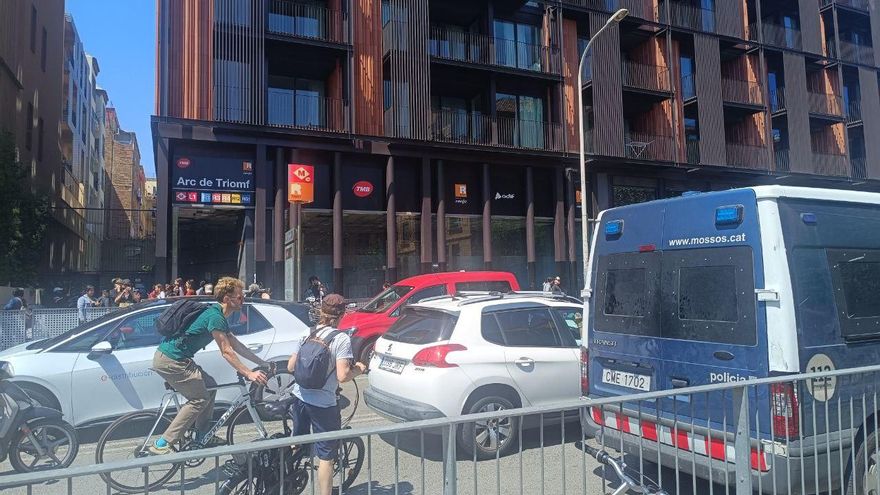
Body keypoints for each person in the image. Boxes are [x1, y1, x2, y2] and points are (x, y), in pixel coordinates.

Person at [149, 277, 270, 455]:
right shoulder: (215, 316)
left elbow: (236, 345)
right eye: (239, 297)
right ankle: (162, 443)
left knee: (210, 385)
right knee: (198, 399)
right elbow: (227, 351)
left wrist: (261, 363)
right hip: (172, 360)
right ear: (227, 299)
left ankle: (202, 433)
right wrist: (248, 373)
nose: (242, 300)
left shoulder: (216, 314)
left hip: (172, 357)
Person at [286, 294, 367, 495]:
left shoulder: (307, 332)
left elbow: (290, 367)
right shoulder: (341, 339)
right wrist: (359, 369)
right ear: (342, 314)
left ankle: (289, 482)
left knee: (297, 442)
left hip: (300, 397)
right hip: (323, 404)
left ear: (321, 311)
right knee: (326, 457)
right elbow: (343, 375)